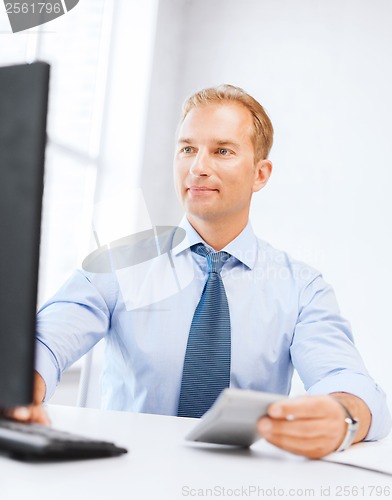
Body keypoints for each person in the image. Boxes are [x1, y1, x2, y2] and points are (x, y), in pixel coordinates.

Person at [8, 84, 391, 458]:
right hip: (128, 477)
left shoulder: (301, 287)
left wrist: (344, 417)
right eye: (187, 149)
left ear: (261, 174)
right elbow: (44, 343)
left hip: (243, 482)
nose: (198, 167)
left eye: (222, 151)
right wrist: (20, 387)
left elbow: (348, 380)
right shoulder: (118, 263)